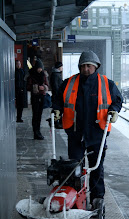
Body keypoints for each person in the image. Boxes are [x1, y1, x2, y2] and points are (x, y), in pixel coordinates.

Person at [53, 50, 123, 207]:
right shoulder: (69, 83)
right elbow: (57, 98)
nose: (85, 69)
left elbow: (118, 100)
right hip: (75, 132)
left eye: (89, 66)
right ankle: (75, 198)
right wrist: (56, 109)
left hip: (97, 133)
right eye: (83, 66)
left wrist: (114, 110)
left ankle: (97, 197)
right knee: (74, 167)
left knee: (96, 167)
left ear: (96, 66)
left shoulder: (107, 84)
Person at [27, 59, 49, 140]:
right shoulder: (31, 75)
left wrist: (44, 87)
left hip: (42, 96)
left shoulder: (44, 75)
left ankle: (38, 131)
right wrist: (36, 87)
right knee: (35, 115)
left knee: (39, 115)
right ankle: (35, 132)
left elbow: (47, 85)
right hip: (35, 97)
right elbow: (28, 86)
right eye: (39, 68)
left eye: (41, 68)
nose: (40, 69)